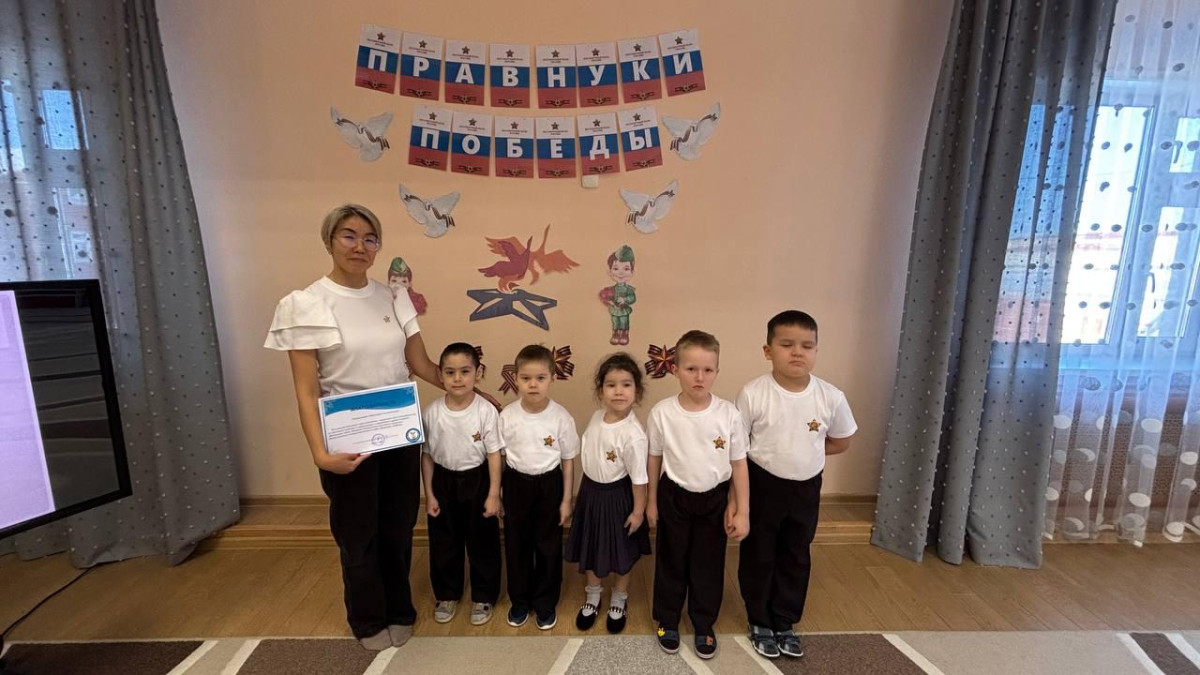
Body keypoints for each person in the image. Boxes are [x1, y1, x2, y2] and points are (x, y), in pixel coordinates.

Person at [264, 204, 493, 651]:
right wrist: (320, 453)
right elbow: (306, 391)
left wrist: (475, 393)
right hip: (346, 436)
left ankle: (399, 610)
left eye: (370, 238)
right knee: (357, 533)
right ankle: (367, 619)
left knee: (397, 526)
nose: (360, 246)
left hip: (399, 429)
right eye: (349, 236)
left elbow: (420, 363)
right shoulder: (307, 303)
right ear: (329, 240)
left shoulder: (393, 297)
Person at [736, 311, 856, 660]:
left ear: (816, 351)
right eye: (786, 345)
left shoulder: (830, 396)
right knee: (759, 553)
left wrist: (806, 453)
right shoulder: (753, 393)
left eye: (807, 346)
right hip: (761, 483)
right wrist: (737, 502)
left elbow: (841, 441)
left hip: (805, 489)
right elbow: (737, 449)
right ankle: (759, 619)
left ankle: (784, 620)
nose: (797, 352)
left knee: (796, 554)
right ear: (768, 350)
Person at [646, 330, 750, 660]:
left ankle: (703, 621)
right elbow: (654, 459)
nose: (699, 377)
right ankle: (667, 619)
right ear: (675, 369)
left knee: (708, 561)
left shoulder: (729, 414)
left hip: (714, 499)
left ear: (717, 371)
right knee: (672, 559)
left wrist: (742, 510)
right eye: (691, 369)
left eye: (707, 369)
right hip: (673, 495)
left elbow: (739, 465)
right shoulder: (662, 412)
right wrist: (651, 502)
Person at [564, 352, 651, 634]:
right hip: (590, 493)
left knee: (621, 551)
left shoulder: (634, 434)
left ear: (636, 390)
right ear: (601, 390)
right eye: (611, 385)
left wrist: (638, 511)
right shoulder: (596, 417)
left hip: (619, 497)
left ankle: (619, 598)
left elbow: (639, 478)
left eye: (626, 385)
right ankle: (593, 595)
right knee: (591, 546)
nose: (618, 391)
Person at [421, 342, 503, 626]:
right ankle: (447, 594)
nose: (457, 378)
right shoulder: (432, 413)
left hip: (478, 479)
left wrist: (494, 494)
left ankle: (483, 595)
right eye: (450, 372)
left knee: (483, 541)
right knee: (444, 541)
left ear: (478, 373)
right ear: (440, 375)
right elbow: (427, 456)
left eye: (465, 371)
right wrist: (430, 494)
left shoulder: (486, 411)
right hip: (443, 481)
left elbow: (494, 454)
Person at [499, 344, 579, 630]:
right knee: (517, 544)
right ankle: (520, 601)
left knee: (548, 545)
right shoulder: (507, 416)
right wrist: (498, 493)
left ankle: (545, 602)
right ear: (516, 379)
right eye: (526, 378)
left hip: (549, 484)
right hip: (516, 483)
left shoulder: (561, 417)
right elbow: (501, 457)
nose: (533, 384)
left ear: (552, 379)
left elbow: (568, 460)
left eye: (540, 378)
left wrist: (566, 500)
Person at [598, 245, 636, 346]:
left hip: (623, 309)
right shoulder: (610, 289)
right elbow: (607, 298)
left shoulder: (629, 289)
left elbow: (633, 298)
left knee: (624, 322)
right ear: (610, 271)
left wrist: (625, 300)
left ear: (632, 272)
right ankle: (615, 334)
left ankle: (624, 335)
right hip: (615, 309)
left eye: (626, 269)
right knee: (615, 322)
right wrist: (607, 300)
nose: (620, 273)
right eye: (616, 268)